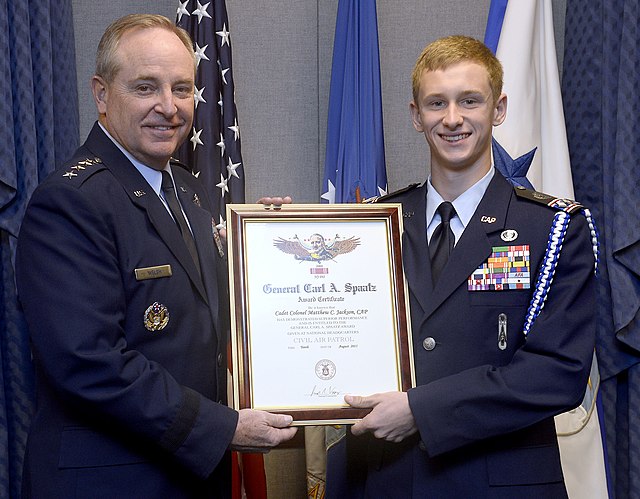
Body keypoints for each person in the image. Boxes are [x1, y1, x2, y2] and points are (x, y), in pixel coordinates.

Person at [15, 14, 296, 498]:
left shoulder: (187, 190)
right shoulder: (71, 201)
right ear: (102, 95)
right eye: (146, 87)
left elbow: (206, 325)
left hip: (186, 475)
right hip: (112, 480)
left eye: (182, 89)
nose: (169, 107)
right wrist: (222, 428)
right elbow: (89, 361)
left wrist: (266, 251)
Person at [326, 35, 597, 498]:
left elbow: (558, 374)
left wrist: (420, 410)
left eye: (470, 101)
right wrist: (267, 237)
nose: (453, 119)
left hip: (499, 482)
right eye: (437, 103)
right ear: (416, 115)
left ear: (499, 108)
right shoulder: (371, 224)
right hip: (384, 479)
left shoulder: (552, 228)